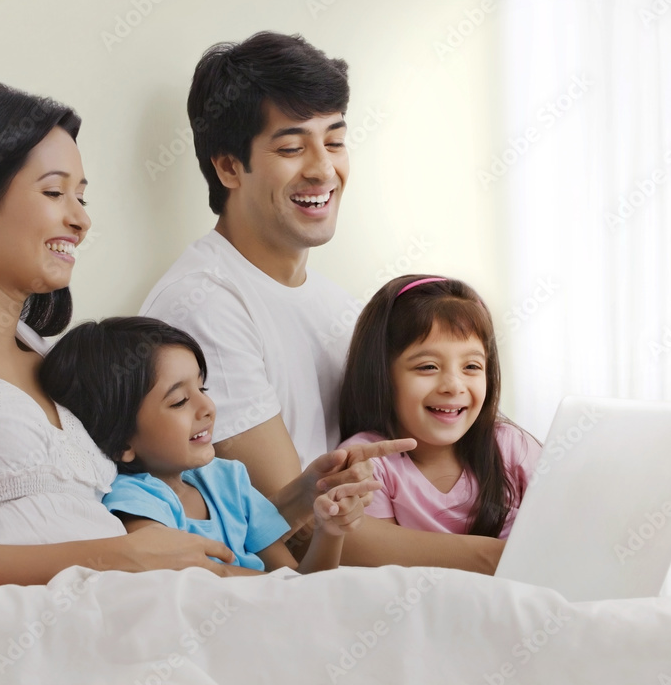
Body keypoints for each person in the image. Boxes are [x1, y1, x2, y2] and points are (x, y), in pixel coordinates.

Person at [0, 81, 394, 590]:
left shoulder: (57, 360)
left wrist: (299, 500)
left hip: (145, 606)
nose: (81, 219)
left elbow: (178, 514)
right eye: (54, 193)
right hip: (47, 626)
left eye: (82, 196)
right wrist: (114, 559)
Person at [140, 32, 505, 572]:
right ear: (228, 168)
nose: (322, 169)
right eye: (291, 148)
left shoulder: (340, 306)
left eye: (333, 141)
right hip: (305, 601)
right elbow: (301, 525)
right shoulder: (204, 304)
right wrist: (500, 558)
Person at [40, 317, 376, 575]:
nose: (207, 408)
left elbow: (299, 585)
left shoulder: (227, 479)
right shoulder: (136, 503)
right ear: (122, 443)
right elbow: (196, 585)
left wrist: (330, 532)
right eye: (180, 400)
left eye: (204, 388)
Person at [337, 276, 542, 566]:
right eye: (428, 367)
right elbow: (380, 574)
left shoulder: (512, 446)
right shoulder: (368, 462)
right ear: (382, 374)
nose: (453, 386)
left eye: (472, 366)